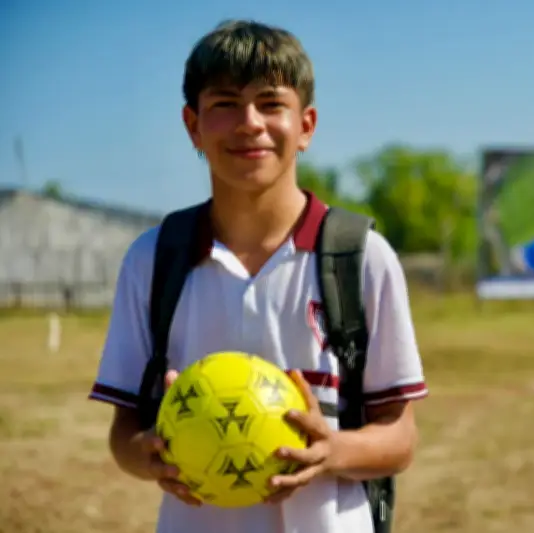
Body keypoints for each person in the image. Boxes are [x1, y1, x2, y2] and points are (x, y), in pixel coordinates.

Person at [88, 19, 428, 533]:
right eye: (225, 104)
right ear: (193, 125)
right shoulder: (153, 259)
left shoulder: (360, 257)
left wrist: (333, 451)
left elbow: (400, 438)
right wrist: (151, 452)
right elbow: (124, 434)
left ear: (306, 125)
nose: (249, 123)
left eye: (271, 104)